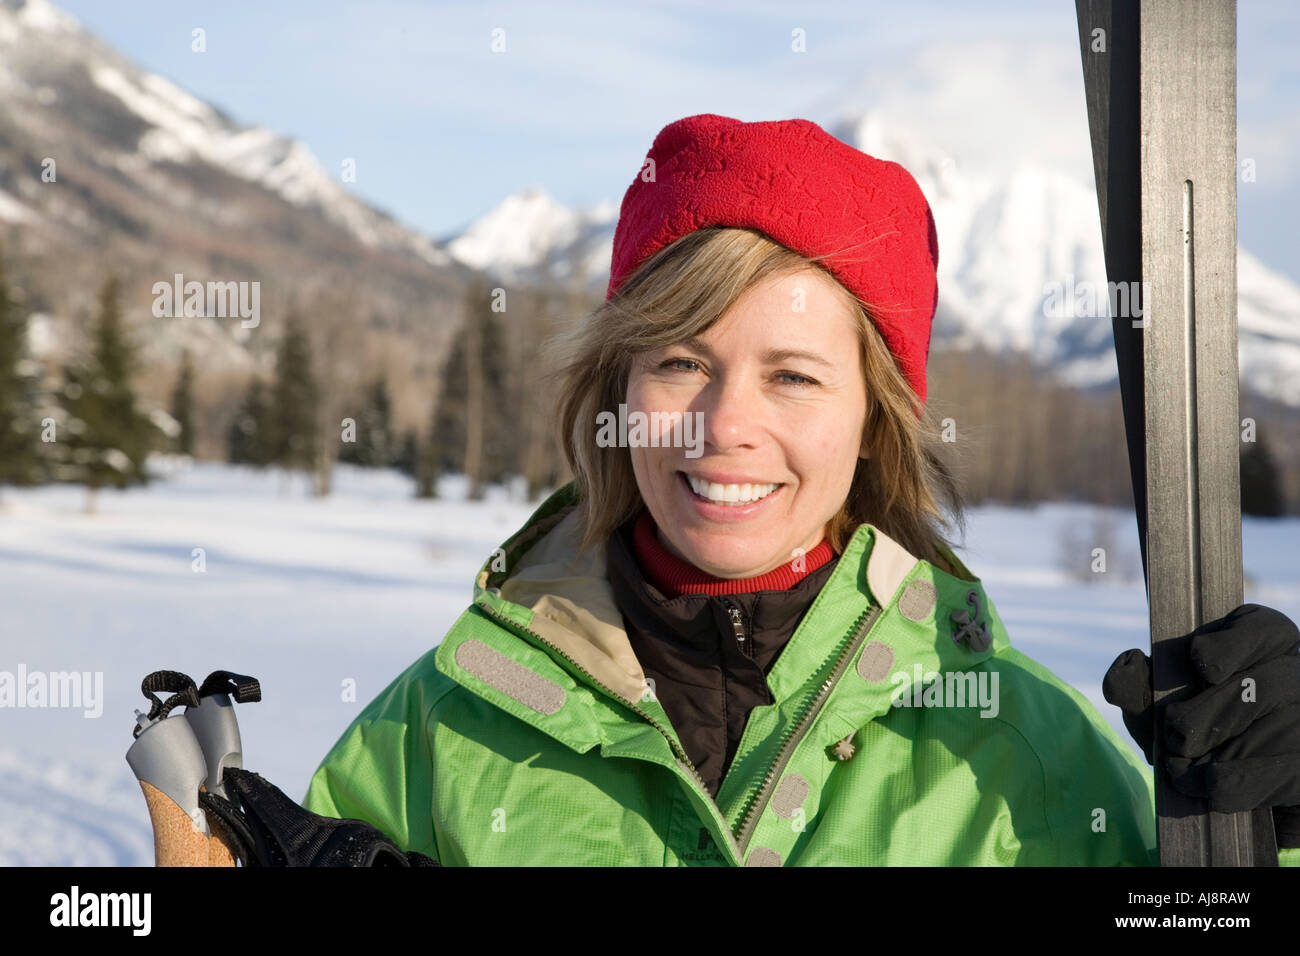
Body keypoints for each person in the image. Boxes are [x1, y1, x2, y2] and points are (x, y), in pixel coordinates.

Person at [301, 113, 1300, 866]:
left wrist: (1278, 837)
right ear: (617, 387)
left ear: (874, 420)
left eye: (793, 375)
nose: (727, 423)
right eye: (681, 363)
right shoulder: (443, 725)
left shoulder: (1021, 749)